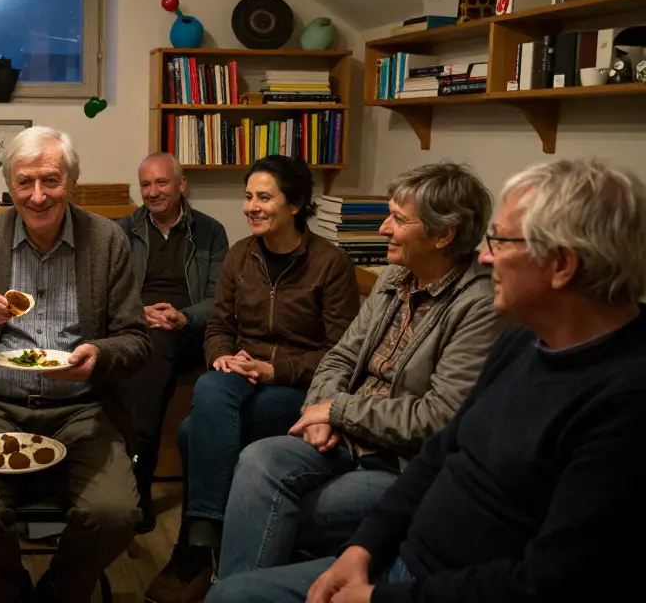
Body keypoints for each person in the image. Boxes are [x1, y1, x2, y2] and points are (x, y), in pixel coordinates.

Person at [210, 158, 646, 603]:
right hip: (376, 496)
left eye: (500, 240)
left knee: (259, 526)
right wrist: (364, 544)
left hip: (406, 517)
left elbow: (544, 577)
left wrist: (336, 410)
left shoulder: (617, 396)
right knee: (258, 464)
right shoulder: (526, 344)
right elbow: (436, 444)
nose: (485, 254)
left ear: (562, 264)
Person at [212, 162, 505, 589]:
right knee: (256, 461)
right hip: (338, 438)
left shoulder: (477, 305)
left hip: (398, 464)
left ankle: (242, 592)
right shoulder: (393, 279)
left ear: (444, 235)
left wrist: (337, 410)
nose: (383, 228)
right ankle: (238, 592)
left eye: (399, 220)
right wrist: (322, 411)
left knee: (274, 510)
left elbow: (438, 418)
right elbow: (338, 358)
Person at [0, 126, 150, 603]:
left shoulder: (108, 241)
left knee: (115, 513)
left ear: (73, 180)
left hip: (84, 411)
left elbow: (136, 341)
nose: (38, 195)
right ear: (10, 185)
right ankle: (9, 594)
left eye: (50, 180)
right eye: (24, 182)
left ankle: (59, 590)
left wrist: (99, 358)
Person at [148, 155, 359, 603]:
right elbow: (218, 326)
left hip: (296, 387)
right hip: (239, 375)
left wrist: (275, 369)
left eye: (264, 197)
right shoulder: (241, 254)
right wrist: (222, 357)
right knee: (209, 386)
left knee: (191, 432)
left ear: (296, 204)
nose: (251, 207)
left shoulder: (330, 262)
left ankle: (196, 543)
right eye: (248, 196)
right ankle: (208, 542)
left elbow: (340, 353)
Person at [117, 152, 229, 533]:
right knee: (151, 343)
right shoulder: (123, 230)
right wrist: (138, 313)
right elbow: (107, 294)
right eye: (145, 184)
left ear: (181, 185)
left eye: (161, 183)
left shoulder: (211, 232)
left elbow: (218, 300)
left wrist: (184, 317)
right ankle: (131, 482)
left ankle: (138, 484)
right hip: (138, 325)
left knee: (158, 343)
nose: (152, 192)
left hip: (189, 331)